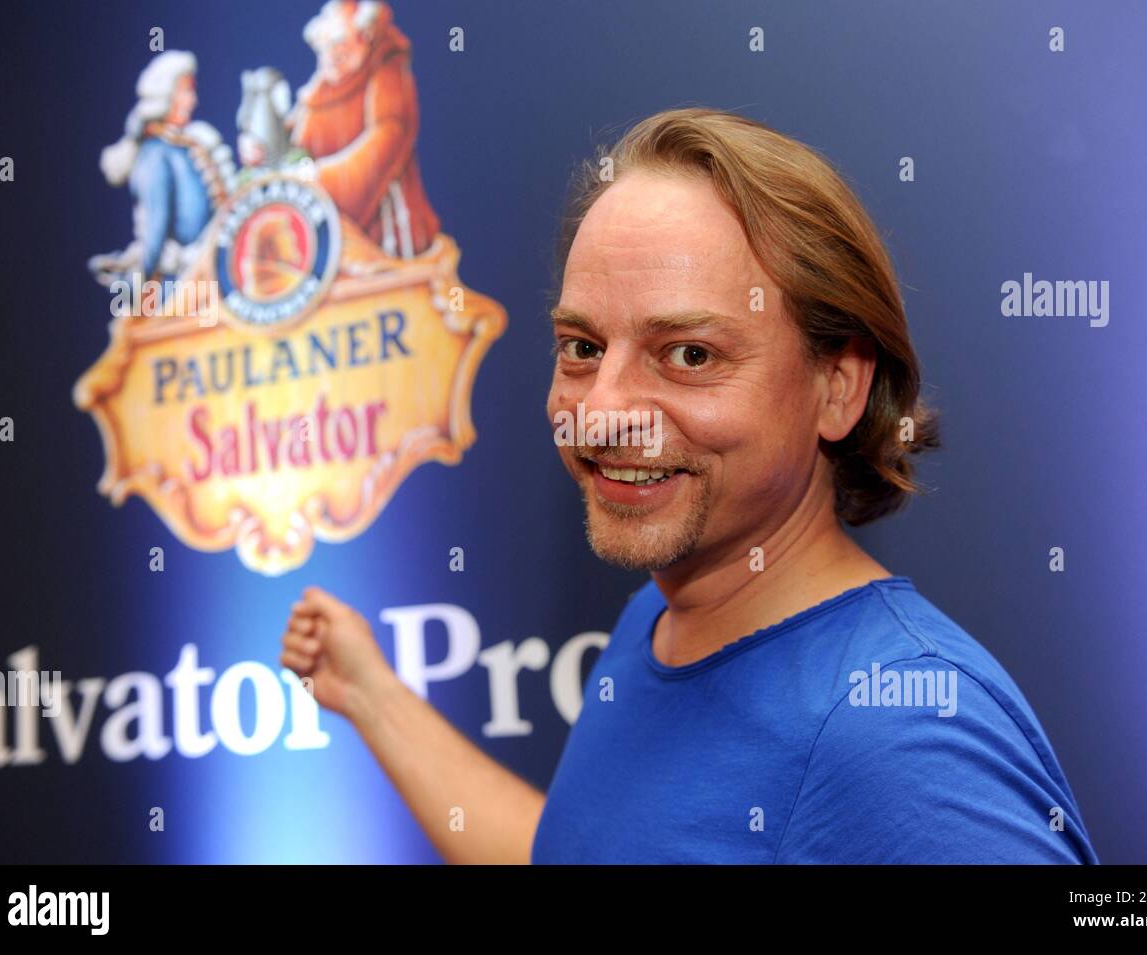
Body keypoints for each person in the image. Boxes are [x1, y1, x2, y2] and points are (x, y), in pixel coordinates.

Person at [279, 108, 1099, 865]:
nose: (600, 414)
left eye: (691, 355)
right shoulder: (666, 617)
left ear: (839, 386)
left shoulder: (901, 732)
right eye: (582, 347)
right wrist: (371, 694)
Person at [289, 0, 440, 258]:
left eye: (340, 46)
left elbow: (385, 143)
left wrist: (318, 179)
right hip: (324, 239)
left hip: (384, 237)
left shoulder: (386, 73)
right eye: (325, 49)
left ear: (365, 38)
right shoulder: (323, 84)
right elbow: (296, 144)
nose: (330, 57)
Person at [89, 50, 234, 291]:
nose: (193, 100)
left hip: (213, 269)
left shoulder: (188, 143)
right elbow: (154, 233)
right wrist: (138, 288)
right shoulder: (154, 156)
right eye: (187, 92)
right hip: (183, 285)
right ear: (167, 97)